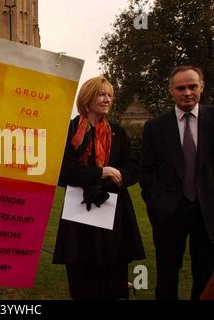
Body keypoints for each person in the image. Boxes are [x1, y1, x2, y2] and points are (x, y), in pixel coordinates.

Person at [53, 76, 145, 300]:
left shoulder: (117, 133)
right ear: (87, 97)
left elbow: (133, 167)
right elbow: (63, 172)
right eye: (102, 94)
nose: (107, 99)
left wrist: (120, 175)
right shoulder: (71, 132)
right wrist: (101, 172)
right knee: (83, 276)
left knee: (113, 274)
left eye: (110, 95)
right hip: (79, 213)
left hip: (113, 211)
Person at [140, 65, 214, 300]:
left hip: (208, 214)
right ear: (171, 90)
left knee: (204, 275)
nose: (187, 92)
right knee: (167, 276)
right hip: (169, 214)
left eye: (192, 86)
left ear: (201, 87)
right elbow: (146, 171)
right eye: (180, 87)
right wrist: (154, 203)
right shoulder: (155, 127)